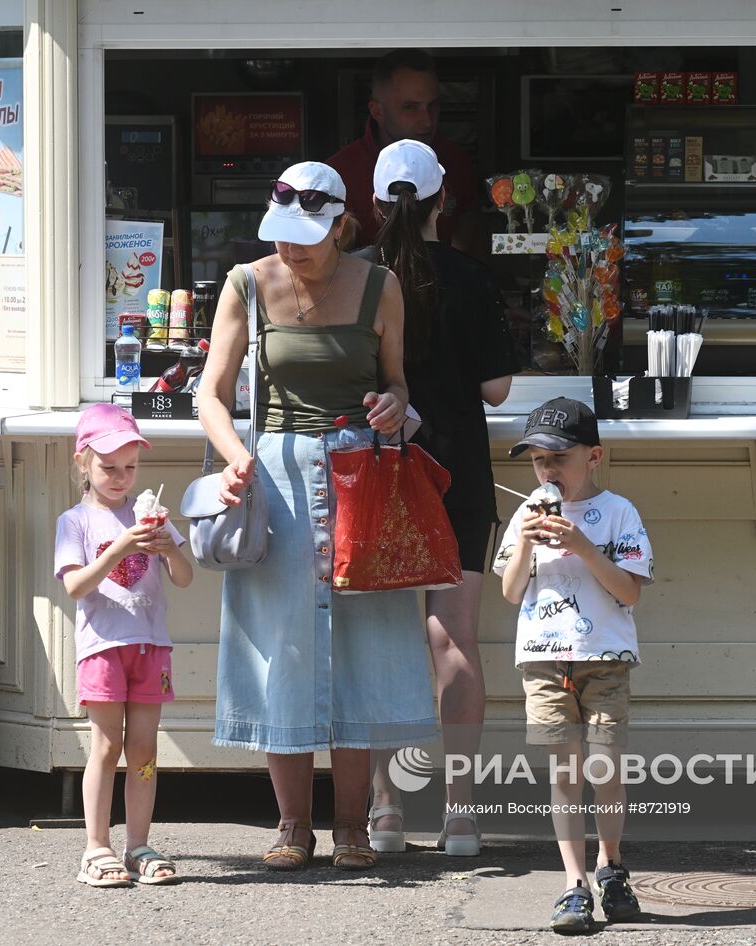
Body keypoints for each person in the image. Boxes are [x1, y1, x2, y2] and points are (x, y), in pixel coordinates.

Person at [196, 161, 437, 872]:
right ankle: (292, 824)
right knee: (283, 646)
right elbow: (210, 394)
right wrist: (237, 456)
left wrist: (393, 405)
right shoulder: (247, 282)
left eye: (306, 235)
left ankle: (353, 826)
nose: (291, 250)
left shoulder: (380, 286)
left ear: (341, 224)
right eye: (282, 235)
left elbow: (395, 382)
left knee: (360, 646)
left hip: (361, 472)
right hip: (275, 472)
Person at [355, 139, 519, 857]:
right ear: (442, 199)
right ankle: (459, 813)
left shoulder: (353, 279)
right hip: (458, 470)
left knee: (388, 642)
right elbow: (496, 388)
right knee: (455, 641)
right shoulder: (471, 278)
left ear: (372, 202)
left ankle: (386, 809)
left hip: (379, 470)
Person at [492, 397, 654, 933]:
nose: (547, 469)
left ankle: (611, 865)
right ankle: (573, 883)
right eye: (538, 459)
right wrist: (525, 548)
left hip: (604, 659)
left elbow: (628, 591)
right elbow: (512, 593)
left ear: (594, 457)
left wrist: (584, 546)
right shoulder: (525, 515)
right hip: (543, 661)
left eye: (559, 457)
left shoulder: (619, 512)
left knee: (604, 767)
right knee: (565, 772)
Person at [54, 403, 194, 888]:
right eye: (109, 468)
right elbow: (75, 586)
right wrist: (119, 548)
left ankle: (138, 844)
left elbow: (183, 578)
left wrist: (168, 546)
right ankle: (96, 847)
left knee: (145, 748)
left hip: (150, 645)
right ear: (83, 464)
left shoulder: (148, 516)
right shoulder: (75, 521)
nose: (120, 478)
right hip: (102, 646)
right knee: (107, 744)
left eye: (130, 468)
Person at [327, 48, 478, 250]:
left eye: (433, 105)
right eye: (410, 107)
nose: (426, 121)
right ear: (377, 111)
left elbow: (472, 247)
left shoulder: (456, 162)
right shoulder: (338, 175)